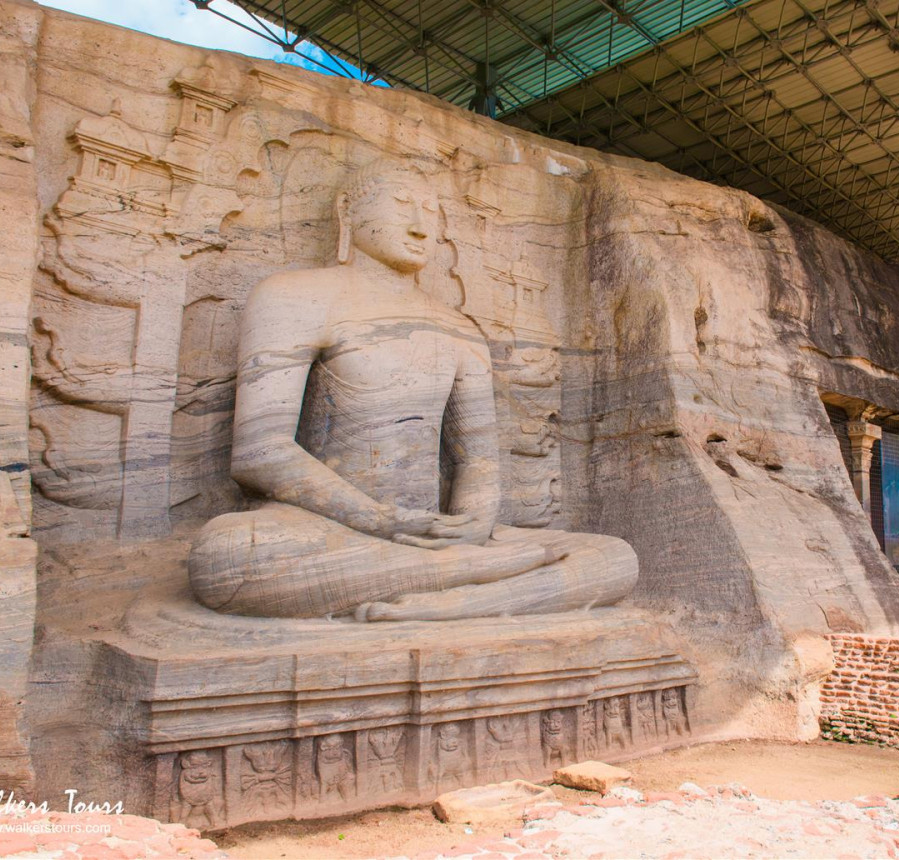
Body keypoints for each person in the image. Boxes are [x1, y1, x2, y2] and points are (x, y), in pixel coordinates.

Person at [187, 160, 637, 621]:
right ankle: (477, 577)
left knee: (615, 557)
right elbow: (261, 453)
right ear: (348, 211)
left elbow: (477, 463)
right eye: (402, 205)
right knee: (223, 557)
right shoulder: (293, 297)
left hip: (436, 538)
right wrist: (382, 521)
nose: (422, 228)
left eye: (430, 211)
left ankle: (450, 599)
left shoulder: (458, 329)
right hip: (327, 528)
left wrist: (473, 528)